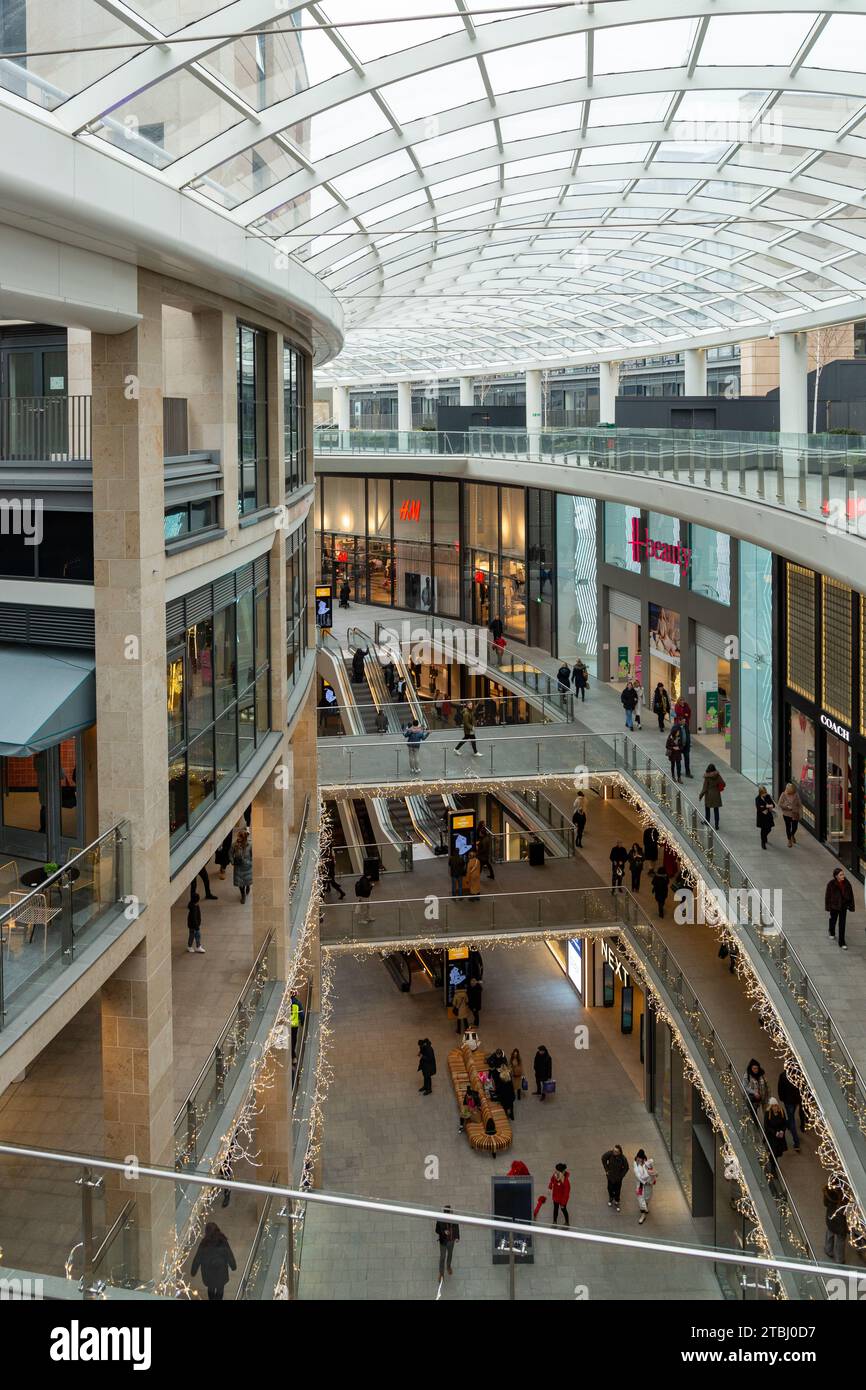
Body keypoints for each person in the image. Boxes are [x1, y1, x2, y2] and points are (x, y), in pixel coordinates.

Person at [191, 1223, 236, 1301]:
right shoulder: (223, 1241)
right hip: (221, 1273)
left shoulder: (203, 1244)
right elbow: (229, 1255)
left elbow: (197, 1258)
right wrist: (233, 1266)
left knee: (210, 1288)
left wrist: (193, 1271)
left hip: (208, 1274)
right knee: (220, 1289)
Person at [825, 867, 855, 950]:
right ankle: (832, 931)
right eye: (841, 875)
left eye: (843, 874)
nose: (843, 876)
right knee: (833, 920)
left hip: (843, 907)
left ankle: (842, 942)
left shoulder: (847, 883)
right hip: (834, 906)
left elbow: (851, 895)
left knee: (842, 924)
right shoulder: (831, 884)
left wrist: (851, 906)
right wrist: (828, 906)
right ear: (836, 876)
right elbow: (827, 896)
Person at [777, 1071, 802, 1153]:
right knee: (791, 1117)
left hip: (788, 1101)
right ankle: (788, 1125)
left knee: (791, 1120)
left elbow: (780, 1088)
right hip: (795, 1100)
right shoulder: (797, 1074)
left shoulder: (783, 1075)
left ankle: (796, 1141)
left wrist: (782, 1097)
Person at [823, 1182, 848, 1263]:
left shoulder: (828, 1193)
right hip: (840, 1224)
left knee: (830, 1233)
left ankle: (828, 1250)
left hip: (830, 1218)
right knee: (840, 1240)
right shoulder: (842, 1199)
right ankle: (839, 1259)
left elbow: (825, 1204)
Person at [602, 1145, 629, 1212]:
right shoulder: (610, 1154)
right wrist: (606, 1170)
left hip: (618, 1178)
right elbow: (603, 1158)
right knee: (609, 1188)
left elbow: (626, 1168)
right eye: (614, 1150)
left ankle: (617, 1201)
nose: (614, 1152)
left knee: (617, 1190)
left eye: (616, 1151)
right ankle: (611, 1197)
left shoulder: (623, 1158)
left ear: (620, 1152)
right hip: (610, 1176)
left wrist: (621, 1176)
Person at [435, 1208, 460, 1279]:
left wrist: (457, 1237)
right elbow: (436, 1230)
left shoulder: (454, 1219)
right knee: (442, 1257)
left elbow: (456, 1228)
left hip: (451, 1241)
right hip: (443, 1242)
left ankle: (448, 1266)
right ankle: (441, 1273)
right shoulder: (440, 1220)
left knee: (450, 1254)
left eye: (451, 1214)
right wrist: (444, 1232)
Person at [633, 1150, 656, 1225]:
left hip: (648, 1185)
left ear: (643, 1158)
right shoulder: (635, 1164)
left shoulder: (647, 1163)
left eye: (640, 1158)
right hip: (641, 1185)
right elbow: (638, 1176)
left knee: (647, 1197)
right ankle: (643, 1214)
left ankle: (645, 1208)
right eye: (638, 1158)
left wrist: (652, 1174)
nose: (638, 1160)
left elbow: (652, 1170)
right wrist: (646, 1179)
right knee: (640, 1199)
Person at [777, 782, 803, 847]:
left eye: (792, 790)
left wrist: (800, 814)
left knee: (795, 827)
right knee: (788, 827)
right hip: (787, 814)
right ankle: (789, 840)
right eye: (790, 790)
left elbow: (800, 805)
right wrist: (786, 806)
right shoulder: (783, 794)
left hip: (795, 813)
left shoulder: (796, 794)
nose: (791, 792)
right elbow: (779, 804)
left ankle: (792, 835)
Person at [699, 764, 724, 830]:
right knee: (716, 810)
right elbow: (723, 783)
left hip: (709, 795)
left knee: (707, 808)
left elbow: (704, 788)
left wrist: (700, 795)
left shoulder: (707, 777)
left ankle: (707, 821)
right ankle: (716, 825)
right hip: (716, 794)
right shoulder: (717, 775)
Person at [232, 828, 253, 905]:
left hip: (247, 867)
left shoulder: (249, 846)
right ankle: (243, 895)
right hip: (238, 867)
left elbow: (253, 855)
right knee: (240, 884)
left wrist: (250, 862)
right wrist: (232, 861)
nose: (238, 839)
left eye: (240, 837)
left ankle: (248, 885)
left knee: (247, 880)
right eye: (238, 837)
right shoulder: (235, 845)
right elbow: (230, 853)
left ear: (244, 838)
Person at [754, 785, 776, 850]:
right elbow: (758, 808)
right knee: (763, 829)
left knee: (769, 829)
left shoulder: (768, 796)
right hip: (762, 817)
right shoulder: (757, 798)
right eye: (763, 793)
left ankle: (764, 837)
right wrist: (767, 806)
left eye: (765, 792)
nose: (765, 794)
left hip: (768, 816)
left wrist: (765, 806)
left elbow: (773, 805)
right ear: (760, 793)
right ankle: (763, 842)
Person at [676, 711, 692, 777]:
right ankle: (678, 773)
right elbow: (673, 737)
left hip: (686, 746)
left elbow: (688, 734)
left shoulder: (686, 726)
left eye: (684, 721)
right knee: (678, 761)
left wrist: (689, 743)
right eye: (683, 721)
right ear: (679, 721)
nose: (684, 722)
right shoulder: (676, 727)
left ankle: (688, 773)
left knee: (687, 760)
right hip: (679, 747)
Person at [290, 991, 304, 1061]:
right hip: (294, 1025)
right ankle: (293, 1056)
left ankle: (293, 1055)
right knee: (293, 1039)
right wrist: (302, 1022)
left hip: (287, 1025)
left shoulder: (285, 1003)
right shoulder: (298, 1003)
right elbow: (301, 1014)